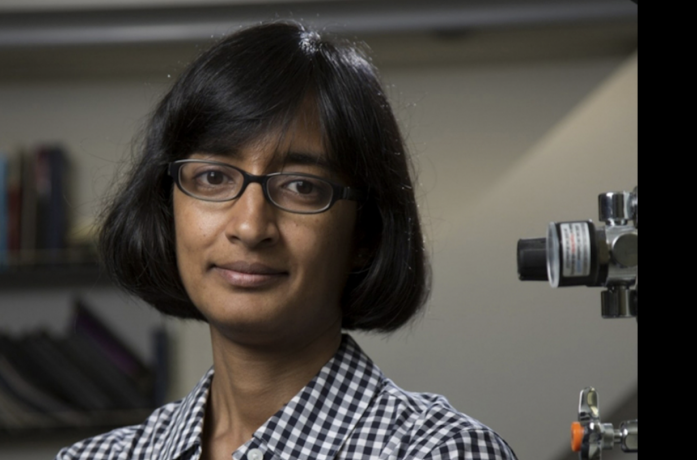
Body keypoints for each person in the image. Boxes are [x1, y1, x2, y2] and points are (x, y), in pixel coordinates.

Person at [57, 21, 517, 460]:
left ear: (365, 232)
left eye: (301, 186)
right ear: (166, 206)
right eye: (213, 177)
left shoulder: (441, 453)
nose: (251, 227)